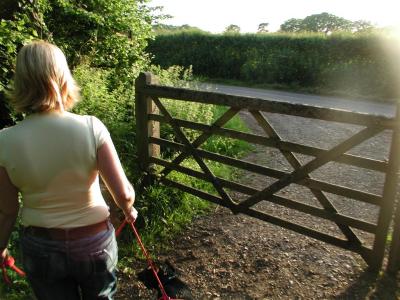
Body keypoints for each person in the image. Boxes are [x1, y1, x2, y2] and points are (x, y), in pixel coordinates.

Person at [0, 40, 137, 299]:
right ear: (63, 77)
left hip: (41, 247)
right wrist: (128, 208)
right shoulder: (90, 127)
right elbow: (124, 195)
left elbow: (7, 210)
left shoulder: (5, 140)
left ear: (21, 81)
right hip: (94, 244)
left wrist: (1, 247)